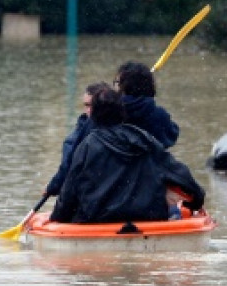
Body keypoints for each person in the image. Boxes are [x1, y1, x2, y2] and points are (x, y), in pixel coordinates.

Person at [51, 87, 205, 225]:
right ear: (121, 112)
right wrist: (197, 200)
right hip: (147, 218)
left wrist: (57, 218)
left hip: (96, 219)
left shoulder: (86, 147)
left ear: (95, 115)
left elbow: (69, 190)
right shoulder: (145, 140)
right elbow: (180, 174)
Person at [43, 81, 109, 199]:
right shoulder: (78, 134)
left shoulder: (80, 137)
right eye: (86, 105)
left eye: (92, 105)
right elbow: (67, 167)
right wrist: (53, 186)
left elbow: (68, 168)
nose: (88, 110)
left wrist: (53, 187)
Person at [114, 60, 179, 149]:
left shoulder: (108, 112)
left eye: (117, 82)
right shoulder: (158, 115)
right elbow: (172, 134)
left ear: (125, 85)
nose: (113, 85)